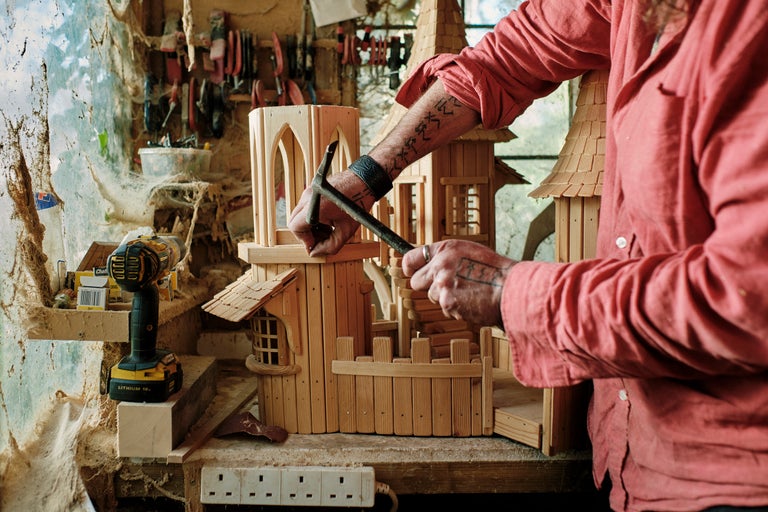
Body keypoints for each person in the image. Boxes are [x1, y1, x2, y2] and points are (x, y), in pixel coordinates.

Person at [288, 1, 768, 510]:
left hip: (731, 480)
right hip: (624, 451)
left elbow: (745, 300)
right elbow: (509, 55)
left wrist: (511, 291)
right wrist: (369, 175)